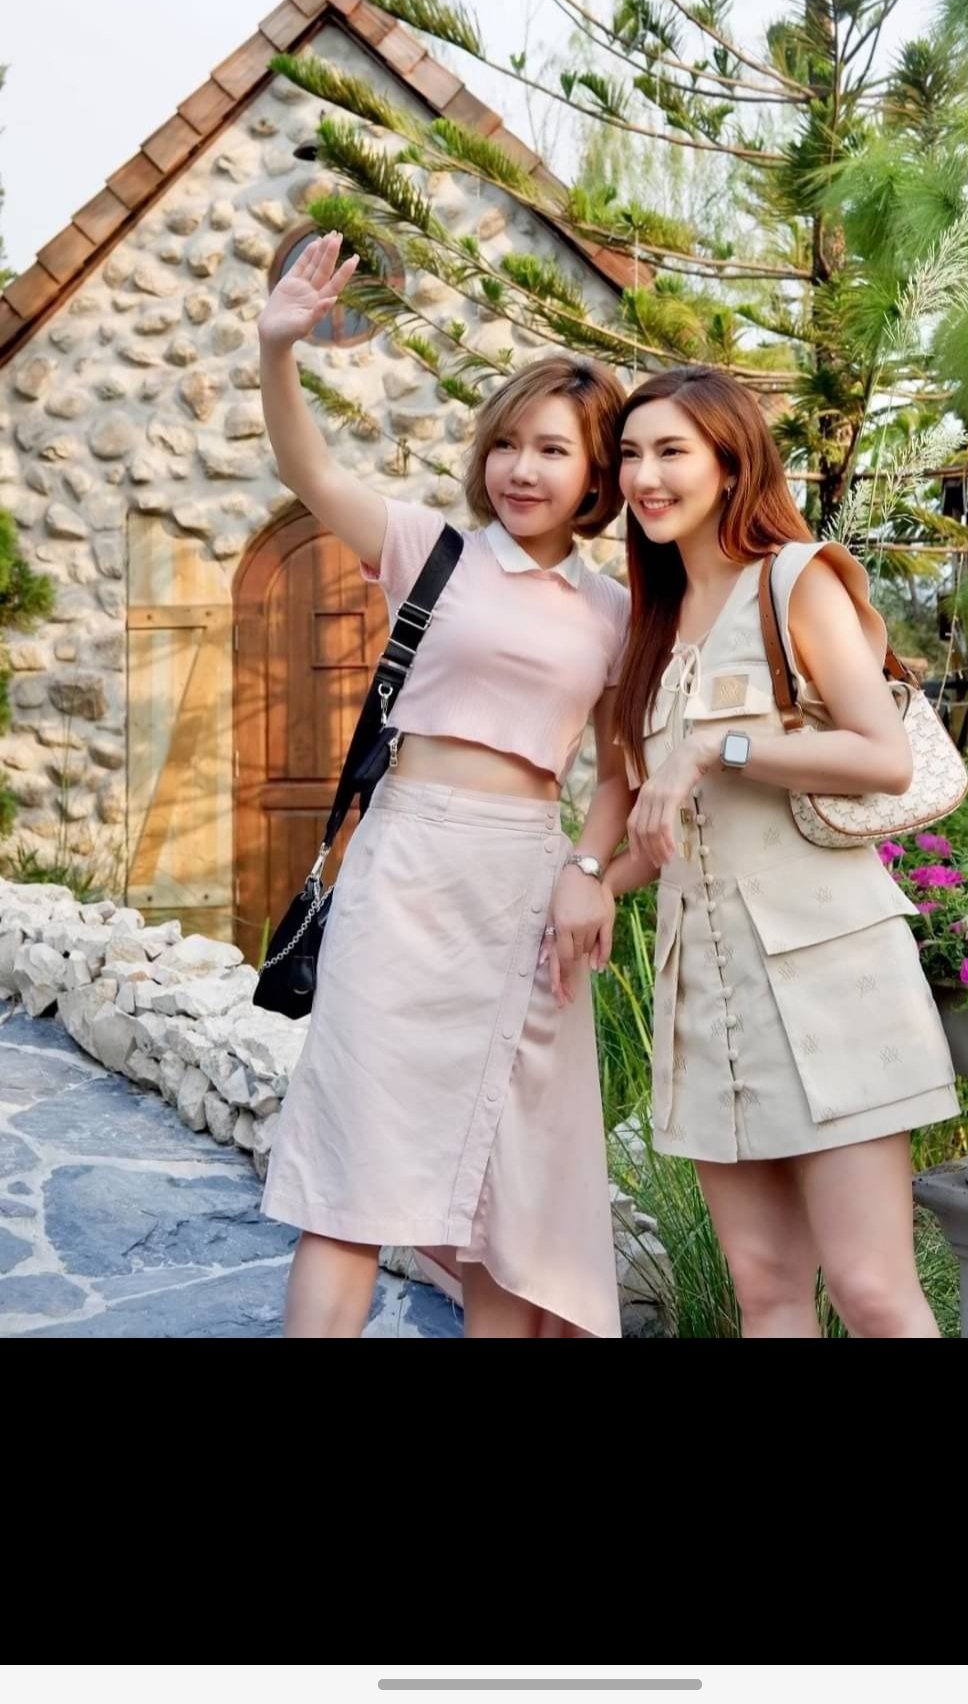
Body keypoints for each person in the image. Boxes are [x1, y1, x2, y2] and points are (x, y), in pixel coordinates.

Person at [257, 232, 633, 1338]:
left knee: (512, 1202)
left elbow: (620, 769)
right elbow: (311, 473)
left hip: (524, 891)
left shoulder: (614, 612)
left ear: (596, 475)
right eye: (506, 443)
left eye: (552, 450)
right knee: (349, 1181)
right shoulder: (435, 550)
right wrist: (278, 350)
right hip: (408, 869)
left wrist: (587, 868)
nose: (521, 469)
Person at [610, 364, 959, 1339]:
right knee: (764, 1293)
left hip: (829, 980)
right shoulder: (650, 628)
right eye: (630, 455)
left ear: (731, 462)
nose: (645, 477)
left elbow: (882, 756)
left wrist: (714, 748)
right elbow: (654, 838)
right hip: (707, 1000)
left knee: (871, 1289)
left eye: (671, 452)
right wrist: (581, 883)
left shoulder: (795, 580)